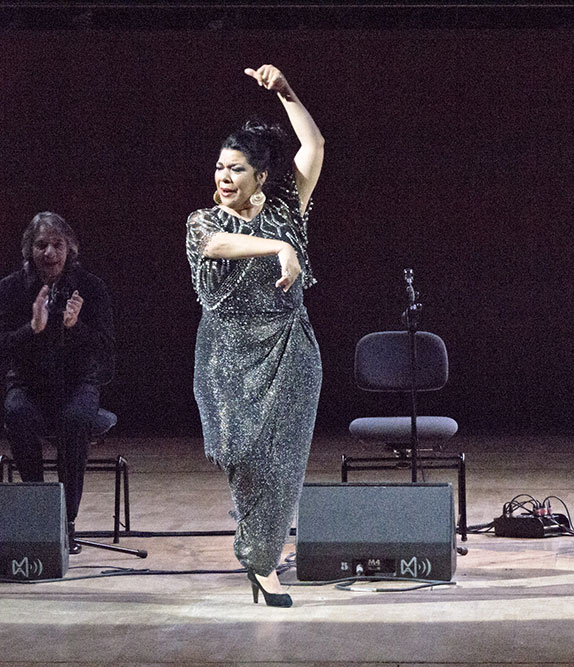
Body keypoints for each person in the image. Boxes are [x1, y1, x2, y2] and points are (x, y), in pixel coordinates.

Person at [185, 65, 324, 607]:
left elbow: (313, 145)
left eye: (236, 169)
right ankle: (259, 543)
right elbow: (218, 247)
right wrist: (277, 250)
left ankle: (262, 563)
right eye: (220, 166)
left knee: (283, 462)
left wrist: (289, 91)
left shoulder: (289, 210)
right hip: (227, 354)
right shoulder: (202, 221)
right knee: (245, 458)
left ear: (261, 177)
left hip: (290, 350)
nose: (223, 176)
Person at [0, 212, 115, 555]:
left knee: (75, 420)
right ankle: (41, 519)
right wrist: (31, 330)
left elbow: (105, 350)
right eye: (41, 245)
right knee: (16, 413)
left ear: (70, 249)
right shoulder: (9, 289)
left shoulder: (91, 288)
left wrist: (75, 326)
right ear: (29, 250)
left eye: (57, 245)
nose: (49, 252)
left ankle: (67, 523)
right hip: (28, 384)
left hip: (78, 383)